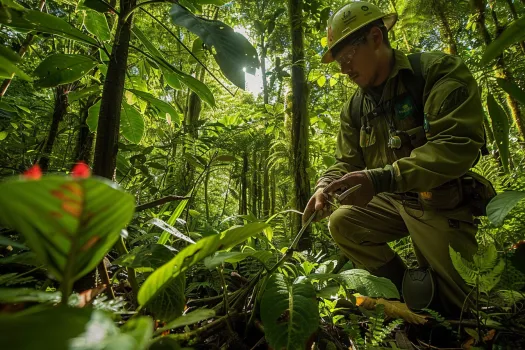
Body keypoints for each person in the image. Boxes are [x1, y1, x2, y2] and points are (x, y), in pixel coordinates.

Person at [303, 1, 491, 316]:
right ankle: (406, 295)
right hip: (391, 201)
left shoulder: (435, 73)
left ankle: (443, 303)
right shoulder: (355, 108)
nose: (345, 70)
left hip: (438, 202)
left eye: (347, 57)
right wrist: (326, 184)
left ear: (376, 38)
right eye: (338, 63)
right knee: (342, 222)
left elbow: (456, 145)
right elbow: (346, 161)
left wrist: (381, 178)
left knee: (466, 314)